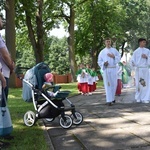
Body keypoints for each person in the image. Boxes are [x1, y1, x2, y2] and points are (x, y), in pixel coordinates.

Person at [0, 16, 15, 141]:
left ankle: (4, 131)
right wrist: (11, 65)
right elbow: (4, 54)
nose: (2, 21)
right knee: (2, 103)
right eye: (0, 19)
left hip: (3, 73)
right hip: (2, 75)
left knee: (3, 104)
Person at [97, 38, 121, 106]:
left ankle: (112, 98)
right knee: (108, 85)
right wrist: (104, 64)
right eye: (107, 42)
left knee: (114, 84)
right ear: (105, 42)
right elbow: (99, 61)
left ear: (110, 42)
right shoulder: (102, 52)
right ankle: (109, 100)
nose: (108, 43)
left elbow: (118, 57)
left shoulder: (114, 50)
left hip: (113, 69)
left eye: (109, 41)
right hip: (107, 69)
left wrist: (113, 57)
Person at [131, 38, 150, 103]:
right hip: (139, 69)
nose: (145, 43)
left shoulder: (147, 51)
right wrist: (133, 63)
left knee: (145, 84)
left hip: (145, 69)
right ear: (140, 43)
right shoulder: (136, 52)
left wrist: (147, 57)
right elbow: (132, 60)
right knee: (139, 83)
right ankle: (138, 97)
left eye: (145, 42)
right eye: (143, 42)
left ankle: (145, 98)